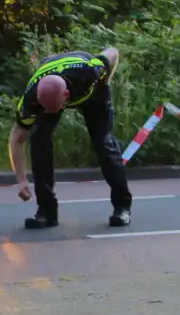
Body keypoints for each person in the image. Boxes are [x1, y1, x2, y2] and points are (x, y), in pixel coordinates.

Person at [8, 48, 132, 229]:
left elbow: (113, 52)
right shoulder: (31, 98)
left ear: (65, 96)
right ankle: (46, 211)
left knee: (103, 143)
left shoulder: (90, 71)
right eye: (46, 107)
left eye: (54, 108)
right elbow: (17, 138)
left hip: (92, 93)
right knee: (38, 140)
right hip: (52, 84)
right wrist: (21, 181)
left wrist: (104, 83)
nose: (51, 112)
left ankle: (122, 207)